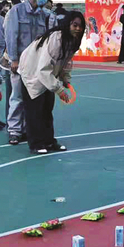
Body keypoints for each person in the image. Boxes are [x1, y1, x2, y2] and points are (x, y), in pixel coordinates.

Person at [18, 11, 85, 154]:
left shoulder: (72, 41)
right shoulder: (56, 38)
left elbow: (65, 62)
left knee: (47, 110)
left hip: (47, 75)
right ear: (68, 24)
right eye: (75, 25)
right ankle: (36, 144)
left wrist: (65, 78)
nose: (78, 29)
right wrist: (59, 89)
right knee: (34, 111)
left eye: (80, 26)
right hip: (32, 73)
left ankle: (49, 141)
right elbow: (43, 68)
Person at [4, 0, 52, 145]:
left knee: (32, 97)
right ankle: (14, 130)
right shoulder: (16, 11)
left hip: (35, 63)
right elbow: (11, 36)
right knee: (17, 96)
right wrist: (14, 59)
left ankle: (27, 129)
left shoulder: (42, 14)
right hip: (19, 62)